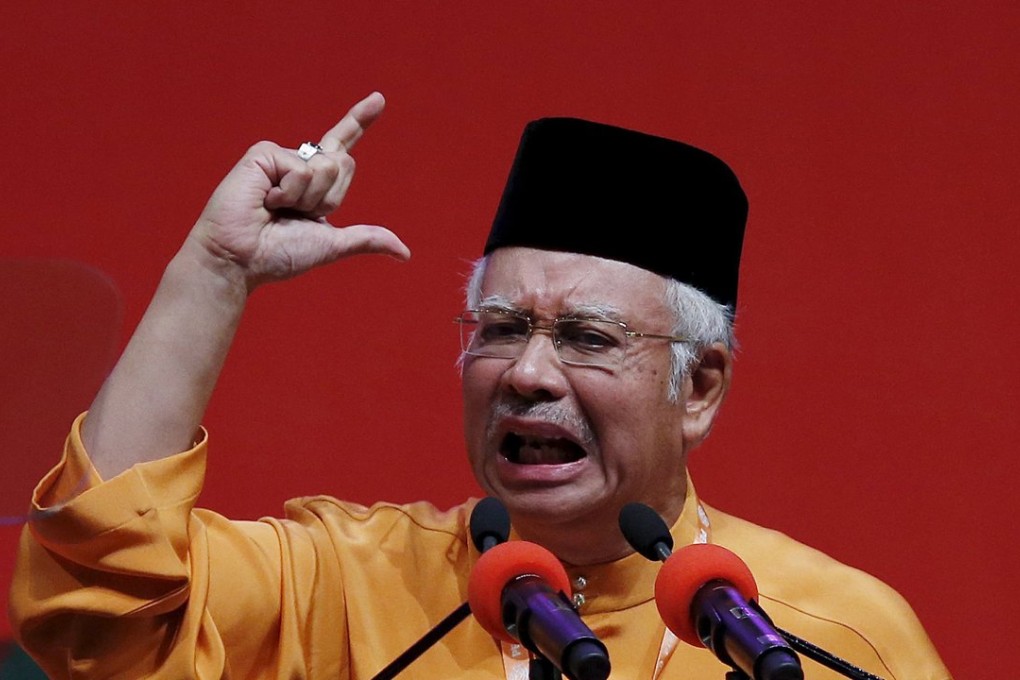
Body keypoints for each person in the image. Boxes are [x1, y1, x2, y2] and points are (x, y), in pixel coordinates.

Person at [9, 93, 952, 679]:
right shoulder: (348, 584)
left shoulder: (824, 637)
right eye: (500, 329)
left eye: (587, 338)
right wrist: (214, 275)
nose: (527, 374)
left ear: (698, 387)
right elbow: (92, 610)